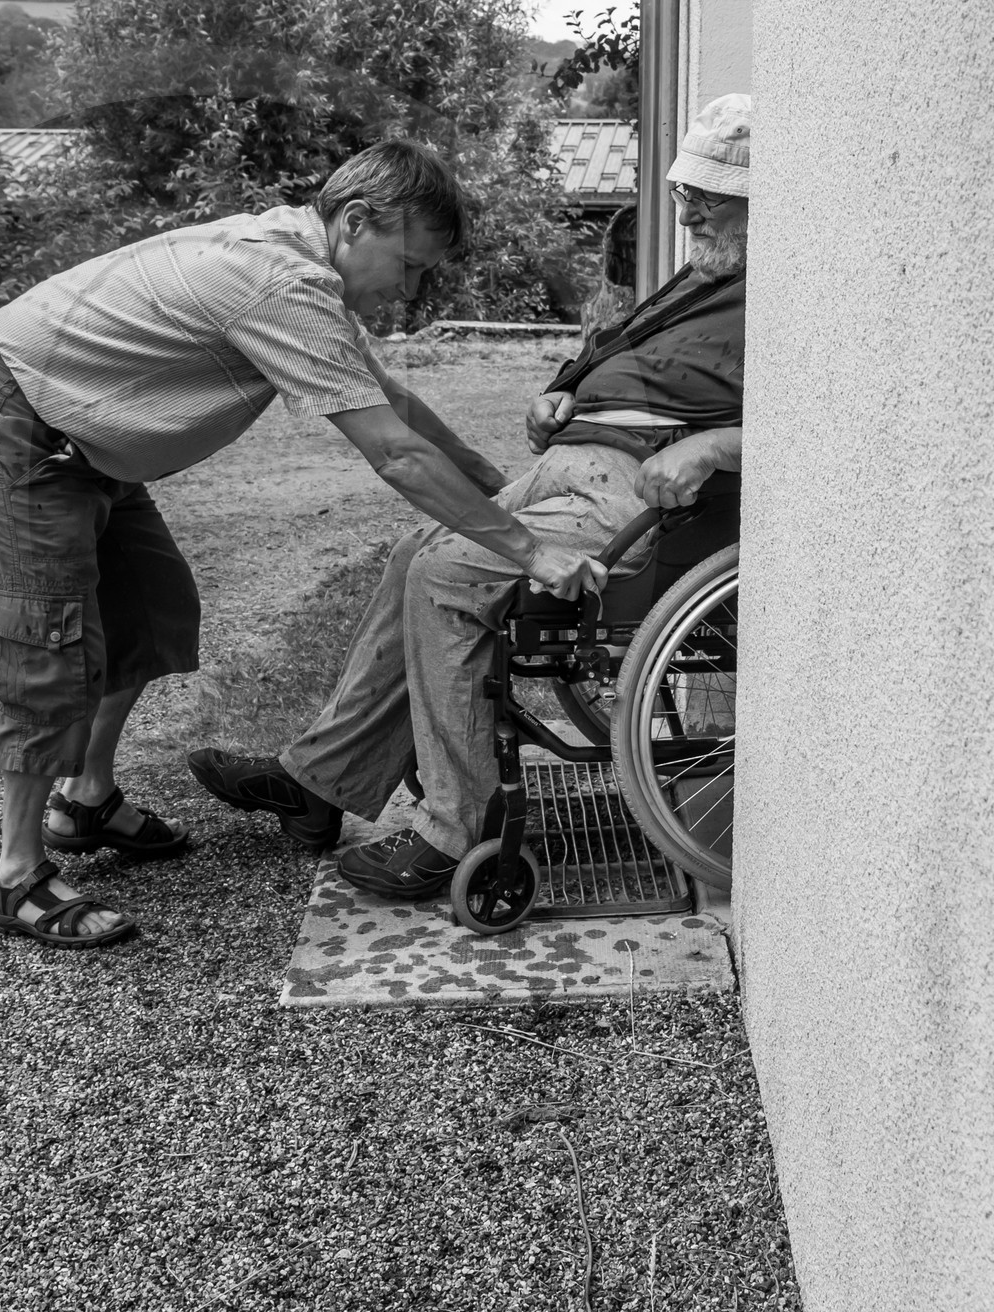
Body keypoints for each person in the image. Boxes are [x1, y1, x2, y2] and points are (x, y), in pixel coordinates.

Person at [0, 139, 607, 951]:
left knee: (151, 610)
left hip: (79, 445)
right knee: (46, 649)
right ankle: (18, 873)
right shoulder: (282, 282)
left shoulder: (298, 262)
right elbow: (392, 451)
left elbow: (392, 400)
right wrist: (528, 548)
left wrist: (487, 479)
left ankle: (85, 800)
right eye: (412, 265)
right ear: (356, 222)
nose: (412, 288)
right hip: (11, 429)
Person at [192, 94, 752, 901]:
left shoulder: (794, 294)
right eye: (685, 188)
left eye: (709, 192)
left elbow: (826, 428)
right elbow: (632, 356)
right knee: (416, 550)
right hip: (578, 456)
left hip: (642, 483)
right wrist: (563, 393)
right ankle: (319, 782)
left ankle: (458, 830)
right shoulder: (712, 275)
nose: (686, 205)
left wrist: (718, 444)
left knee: (450, 573)